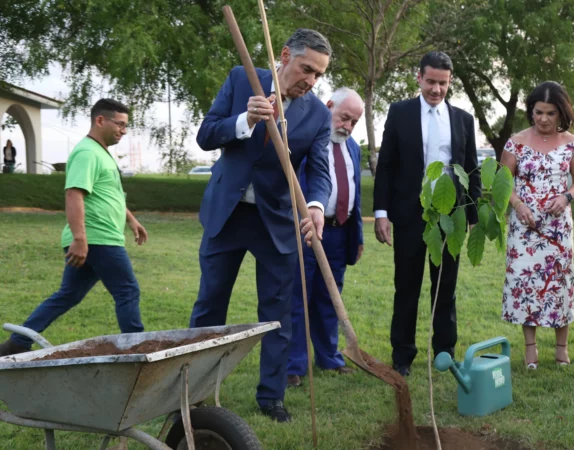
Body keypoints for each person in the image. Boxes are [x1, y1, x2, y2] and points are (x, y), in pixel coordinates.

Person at [190, 29, 333, 422]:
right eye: (306, 69)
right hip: (228, 212)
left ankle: (271, 396)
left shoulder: (319, 114)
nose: (311, 80)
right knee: (209, 306)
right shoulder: (241, 80)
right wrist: (245, 120)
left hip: (277, 221)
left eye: (318, 75)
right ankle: (195, 391)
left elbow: (319, 170)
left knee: (277, 313)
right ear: (284, 55)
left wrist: (317, 206)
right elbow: (206, 134)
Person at [0, 99, 148, 357]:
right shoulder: (87, 152)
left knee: (68, 295)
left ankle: (17, 343)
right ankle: (136, 349)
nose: (124, 130)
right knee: (127, 291)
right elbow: (74, 194)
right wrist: (80, 238)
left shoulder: (100, 153)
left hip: (95, 238)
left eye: (126, 126)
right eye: (120, 124)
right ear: (100, 120)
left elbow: (106, 194)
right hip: (97, 238)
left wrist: (131, 220)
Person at [373, 51, 482, 377]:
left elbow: (472, 169)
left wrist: (471, 214)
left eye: (443, 83)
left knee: (445, 289)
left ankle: (445, 353)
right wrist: (382, 212)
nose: (436, 89)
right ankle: (402, 356)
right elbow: (387, 168)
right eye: (431, 81)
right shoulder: (399, 113)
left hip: (450, 218)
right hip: (409, 216)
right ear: (419, 78)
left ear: (450, 82)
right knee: (406, 287)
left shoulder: (463, 119)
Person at [500, 81, 574, 369]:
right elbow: (502, 184)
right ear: (531, 111)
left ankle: (562, 349)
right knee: (526, 284)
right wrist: (519, 206)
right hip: (524, 229)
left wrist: (566, 197)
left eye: (550, 113)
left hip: (557, 229)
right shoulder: (516, 142)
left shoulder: (573, 143)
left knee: (560, 284)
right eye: (539, 112)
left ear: (561, 113)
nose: (544, 119)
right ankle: (530, 350)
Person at [286, 88, 365, 387]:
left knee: (330, 298)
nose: (347, 126)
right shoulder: (306, 139)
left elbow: (353, 194)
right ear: (329, 106)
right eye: (345, 117)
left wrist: (356, 237)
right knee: (298, 296)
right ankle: (293, 364)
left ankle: (329, 357)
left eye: (354, 122)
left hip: (338, 232)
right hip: (304, 231)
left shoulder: (353, 148)